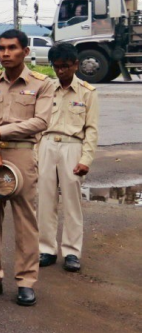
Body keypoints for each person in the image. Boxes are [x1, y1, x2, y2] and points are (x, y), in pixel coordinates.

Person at [0, 30, 54, 307]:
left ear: (26, 52)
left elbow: (40, 121)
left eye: (12, 48)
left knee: (25, 221)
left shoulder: (42, 84)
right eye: (1, 48)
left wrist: (0, 133)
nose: (5, 53)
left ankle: (26, 281)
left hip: (21, 154)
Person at [37, 42, 99, 273]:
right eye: (56, 66)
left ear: (75, 65)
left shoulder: (87, 92)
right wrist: (36, 153)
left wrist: (86, 159)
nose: (60, 71)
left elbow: (91, 129)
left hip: (73, 147)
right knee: (45, 200)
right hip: (47, 145)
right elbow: (37, 123)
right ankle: (46, 249)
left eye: (65, 66)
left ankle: (72, 252)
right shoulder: (46, 89)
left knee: (73, 202)